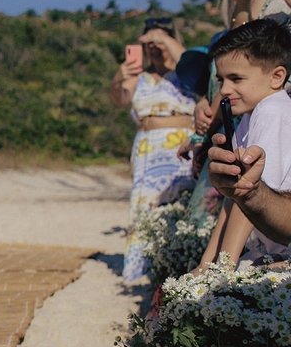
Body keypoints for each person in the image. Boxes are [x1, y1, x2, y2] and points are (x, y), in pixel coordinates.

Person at [195, 19, 291, 267]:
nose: (225, 90)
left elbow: (248, 191)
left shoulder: (272, 110)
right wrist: (207, 263)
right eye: (221, 80)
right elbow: (233, 196)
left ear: (277, 76)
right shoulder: (250, 114)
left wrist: (221, 270)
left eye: (236, 79)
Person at [108, 18, 198, 282]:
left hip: (180, 146)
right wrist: (119, 78)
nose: (154, 48)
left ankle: (180, 264)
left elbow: (194, 67)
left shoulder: (187, 70)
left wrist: (165, 40)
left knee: (181, 204)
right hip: (147, 148)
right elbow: (119, 100)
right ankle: (141, 268)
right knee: (143, 208)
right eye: (148, 43)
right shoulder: (140, 77)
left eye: (158, 42)